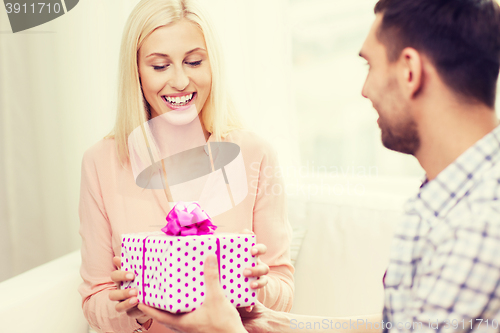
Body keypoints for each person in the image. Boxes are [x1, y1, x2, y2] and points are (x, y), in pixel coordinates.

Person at [138, 0, 500, 332]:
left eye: (369, 65)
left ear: (410, 71)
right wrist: (280, 324)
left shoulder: (478, 227)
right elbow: (405, 325)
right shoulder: (446, 194)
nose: (364, 90)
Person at [77, 0, 295, 332]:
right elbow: (94, 299)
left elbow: (283, 290)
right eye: (160, 66)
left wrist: (258, 286)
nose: (180, 81)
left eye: (193, 62)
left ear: (212, 65)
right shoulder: (100, 162)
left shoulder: (256, 154)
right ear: (135, 71)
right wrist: (133, 310)